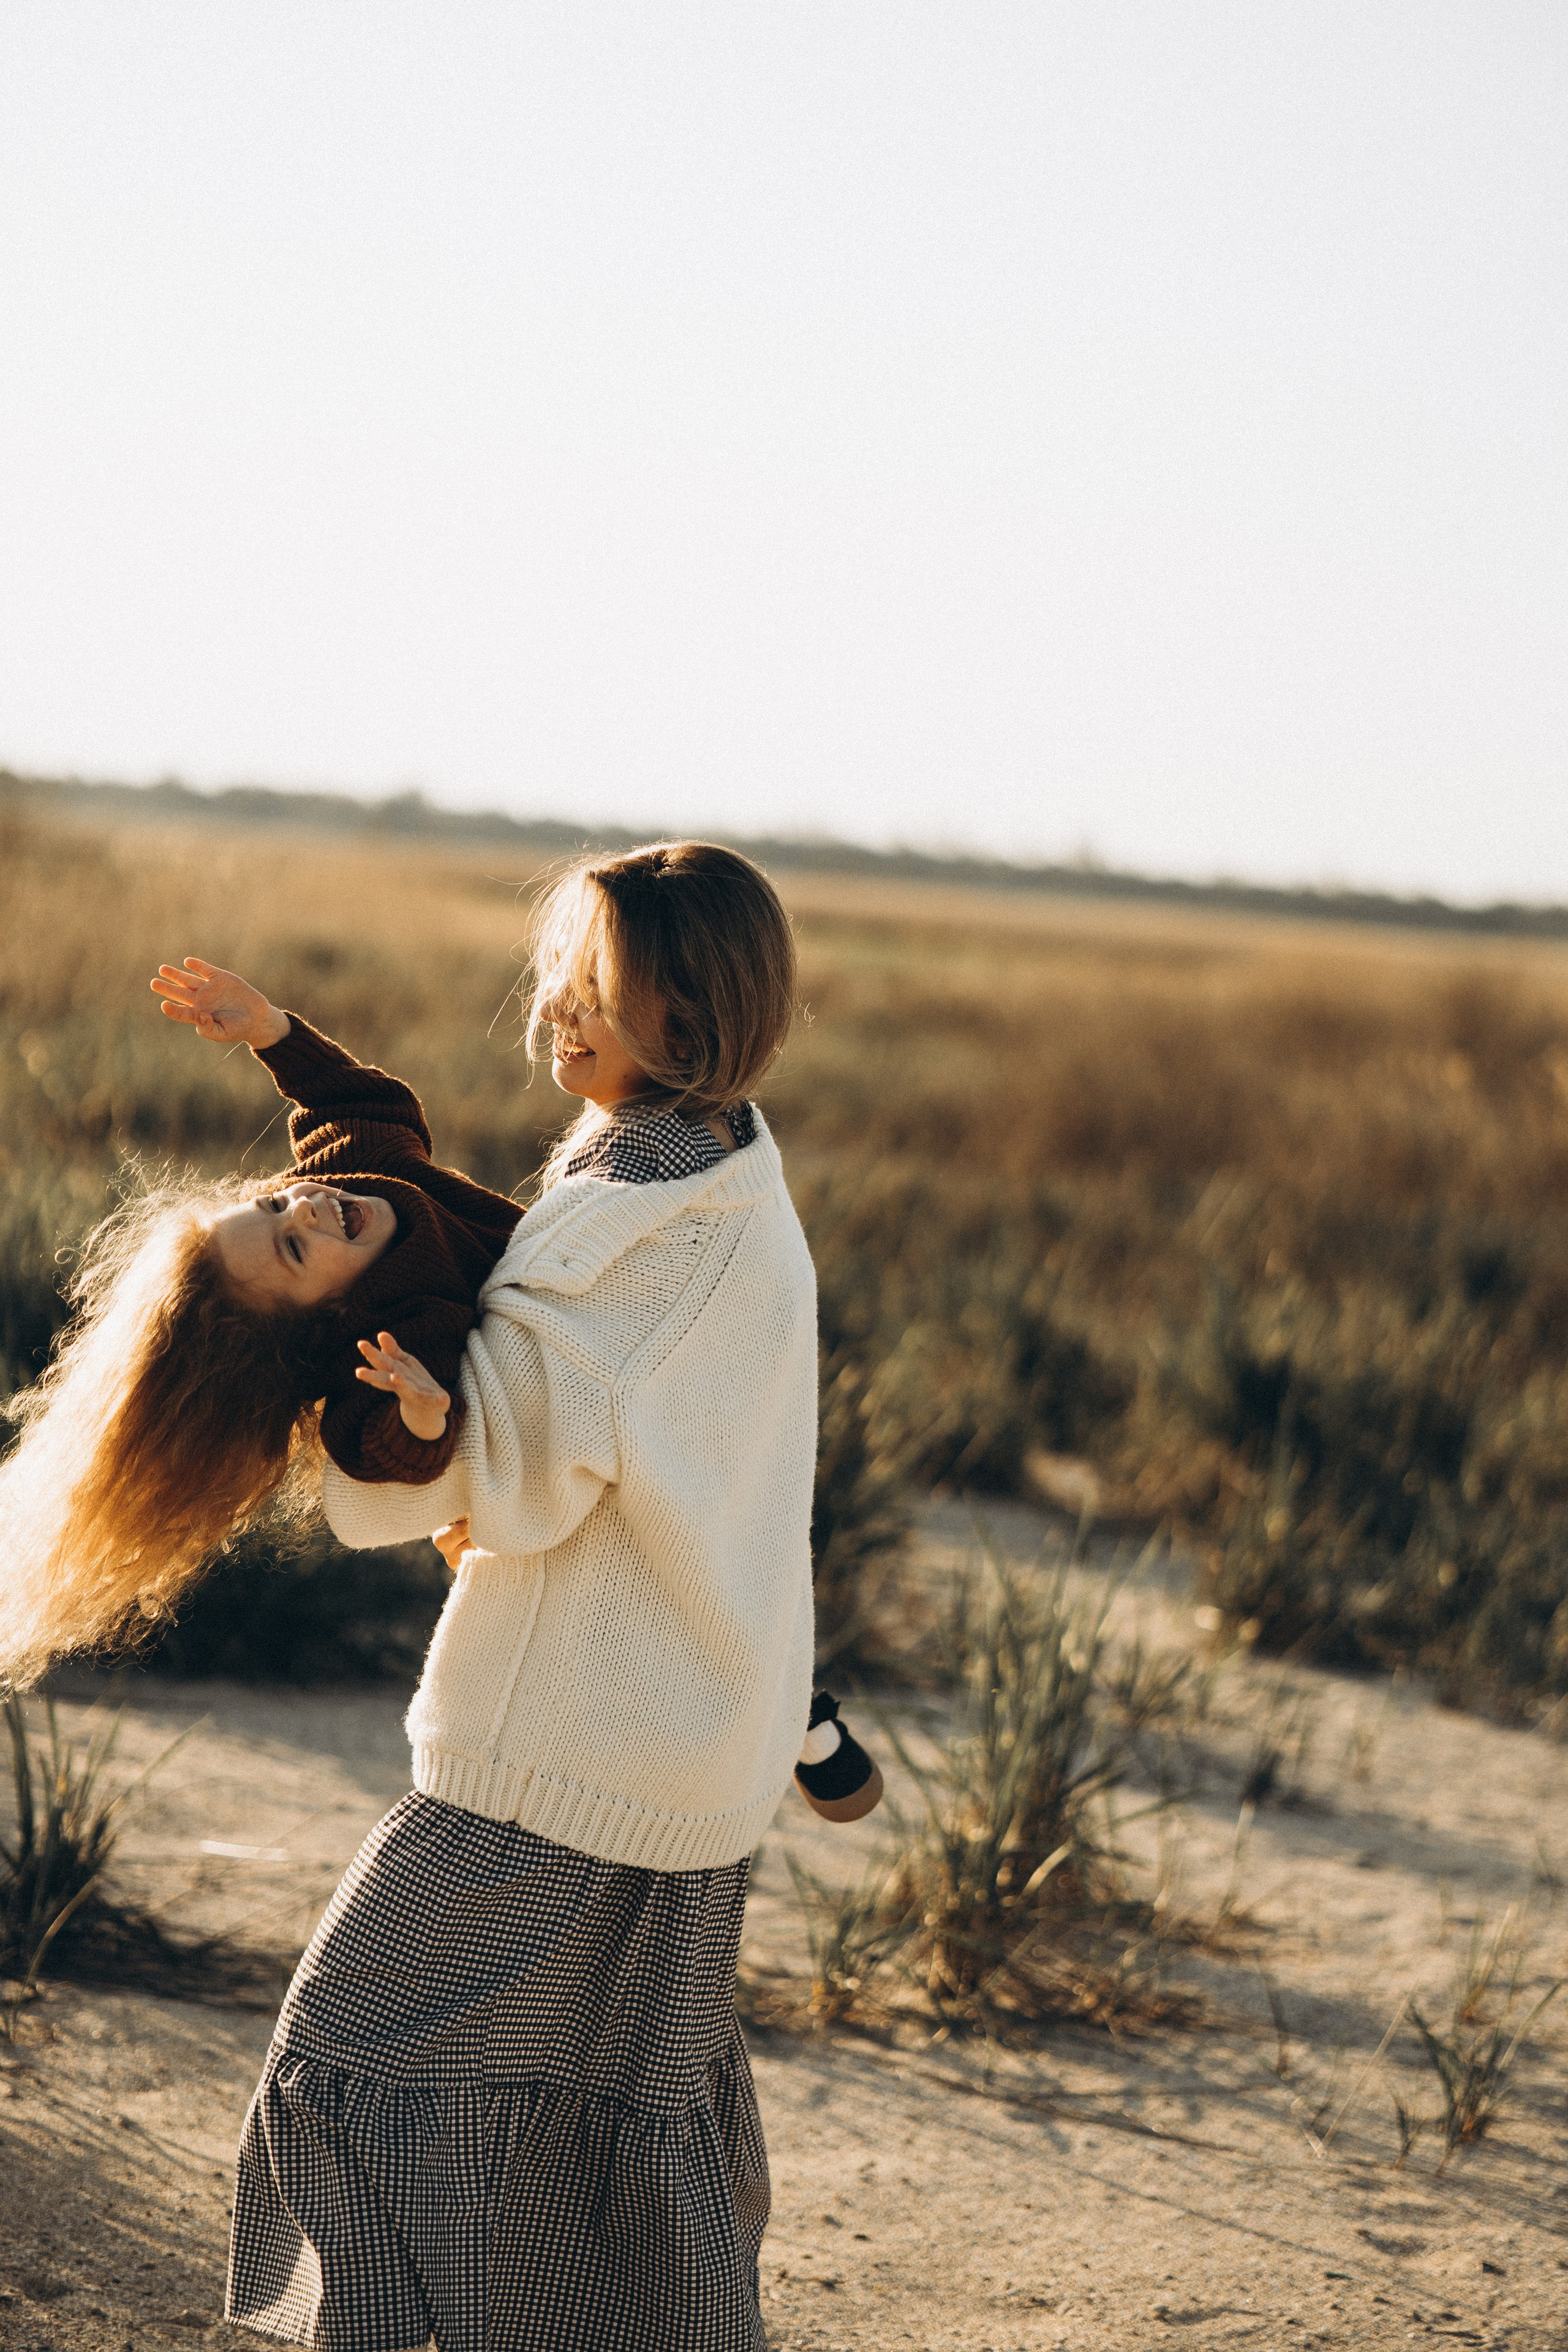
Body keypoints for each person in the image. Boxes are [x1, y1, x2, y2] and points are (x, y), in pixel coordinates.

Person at [216, 840, 858, 2351]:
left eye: (599, 999)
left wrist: (391, 1423)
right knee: (603, 2100)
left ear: (690, 1022)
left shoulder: (638, 1225)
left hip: (580, 1738)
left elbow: (517, 1468)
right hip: (690, 1719)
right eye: (555, 984)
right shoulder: (705, 1176)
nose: (556, 1020)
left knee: (352, 2044)